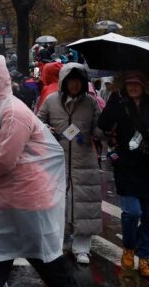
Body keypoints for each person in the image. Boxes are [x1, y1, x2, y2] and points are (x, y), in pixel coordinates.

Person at [0, 55, 76, 287]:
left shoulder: (13, 112)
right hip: (10, 201)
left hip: (27, 202)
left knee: (45, 261)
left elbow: (5, 158)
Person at [98, 71, 149, 277]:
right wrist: (114, 99)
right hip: (128, 169)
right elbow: (103, 124)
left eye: (137, 84)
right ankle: (129, 247)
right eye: (129, 84)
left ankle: (144, 259)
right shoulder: (120, 106)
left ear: (144, 86)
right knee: (132, 213)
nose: (133, 87)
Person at [37, 63, 103, 265]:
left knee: (85, 204)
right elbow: (37, 124)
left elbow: (98, 131)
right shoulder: (51, 101)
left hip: (84, 161)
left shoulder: (91, 103)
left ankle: (82, 247)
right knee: (59, 202)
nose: (74, 84)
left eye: (78, 80)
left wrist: (109, 125)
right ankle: (62, 242)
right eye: (70, 80)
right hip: (57, 161)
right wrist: (47, 129)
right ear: (63, 81)